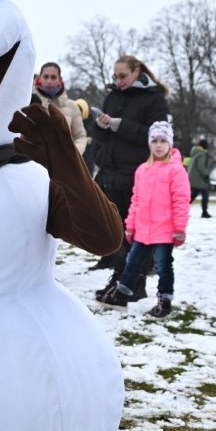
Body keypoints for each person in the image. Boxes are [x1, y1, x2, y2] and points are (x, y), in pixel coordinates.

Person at [88, 55, 172, 298]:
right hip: (111, 173)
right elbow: (102, 135)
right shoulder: (113, 96)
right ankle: (119, 280)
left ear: (137, 72)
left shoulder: (154, 99)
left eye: (123, 75)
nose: (118, 80)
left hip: (138, 176)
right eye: (115, 76)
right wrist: (101, 131)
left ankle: (135, 285)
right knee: (118, 232)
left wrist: (120, 125)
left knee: (136, 233)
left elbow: (158, 137)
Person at [97, 122, 190, 317]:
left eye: (163, 141)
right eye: (154, 141)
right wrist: (130, 226)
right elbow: (136, 200)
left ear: (170, 143)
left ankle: (164, 301)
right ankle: (122, 295)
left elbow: (181, 200)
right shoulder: (142, 170)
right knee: (132, 262)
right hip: (143, 231)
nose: (158, 145)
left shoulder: (176, 170)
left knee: (164, 266)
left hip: (165, 231)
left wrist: (179, 229)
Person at [32, 62, 87, 155]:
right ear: (40, 78)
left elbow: (81, 136)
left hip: (64, 164)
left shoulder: (72, 106)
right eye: (46, 77)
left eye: (53, 77)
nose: (49, 81)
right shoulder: (29, 103)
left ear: (59, 80)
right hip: (35, 164)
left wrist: (75, 153)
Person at [187, 139, 212, 218]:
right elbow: (200, 166)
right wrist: (206, 174)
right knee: (205, 194)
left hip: (192, 176)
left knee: (193, 194)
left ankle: (182, 208)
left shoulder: (195, 152)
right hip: (199, 177)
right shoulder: (201, 154)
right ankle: (204, 212)